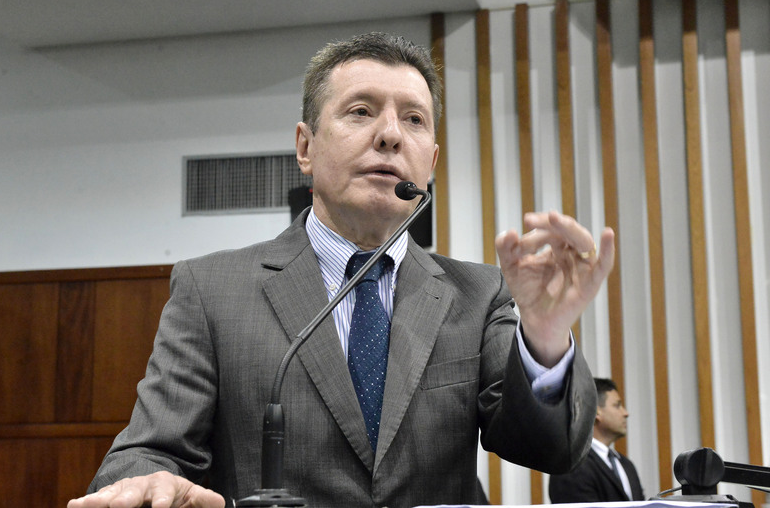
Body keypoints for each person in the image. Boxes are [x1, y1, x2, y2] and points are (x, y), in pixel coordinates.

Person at [68, 32, 615, 508]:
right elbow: (148, 453)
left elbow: (551, 450)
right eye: (360, 111)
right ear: (305, 147)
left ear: (430, 163)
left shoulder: (479, 293)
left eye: (414, 119)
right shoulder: (212, 291)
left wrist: (545, 338)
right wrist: (148, 484)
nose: (390, 134)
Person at [549, 377, 645, 503]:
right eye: (617, 405)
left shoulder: (626, 465)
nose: (625, 413)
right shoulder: (570, 466)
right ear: (596, 411)